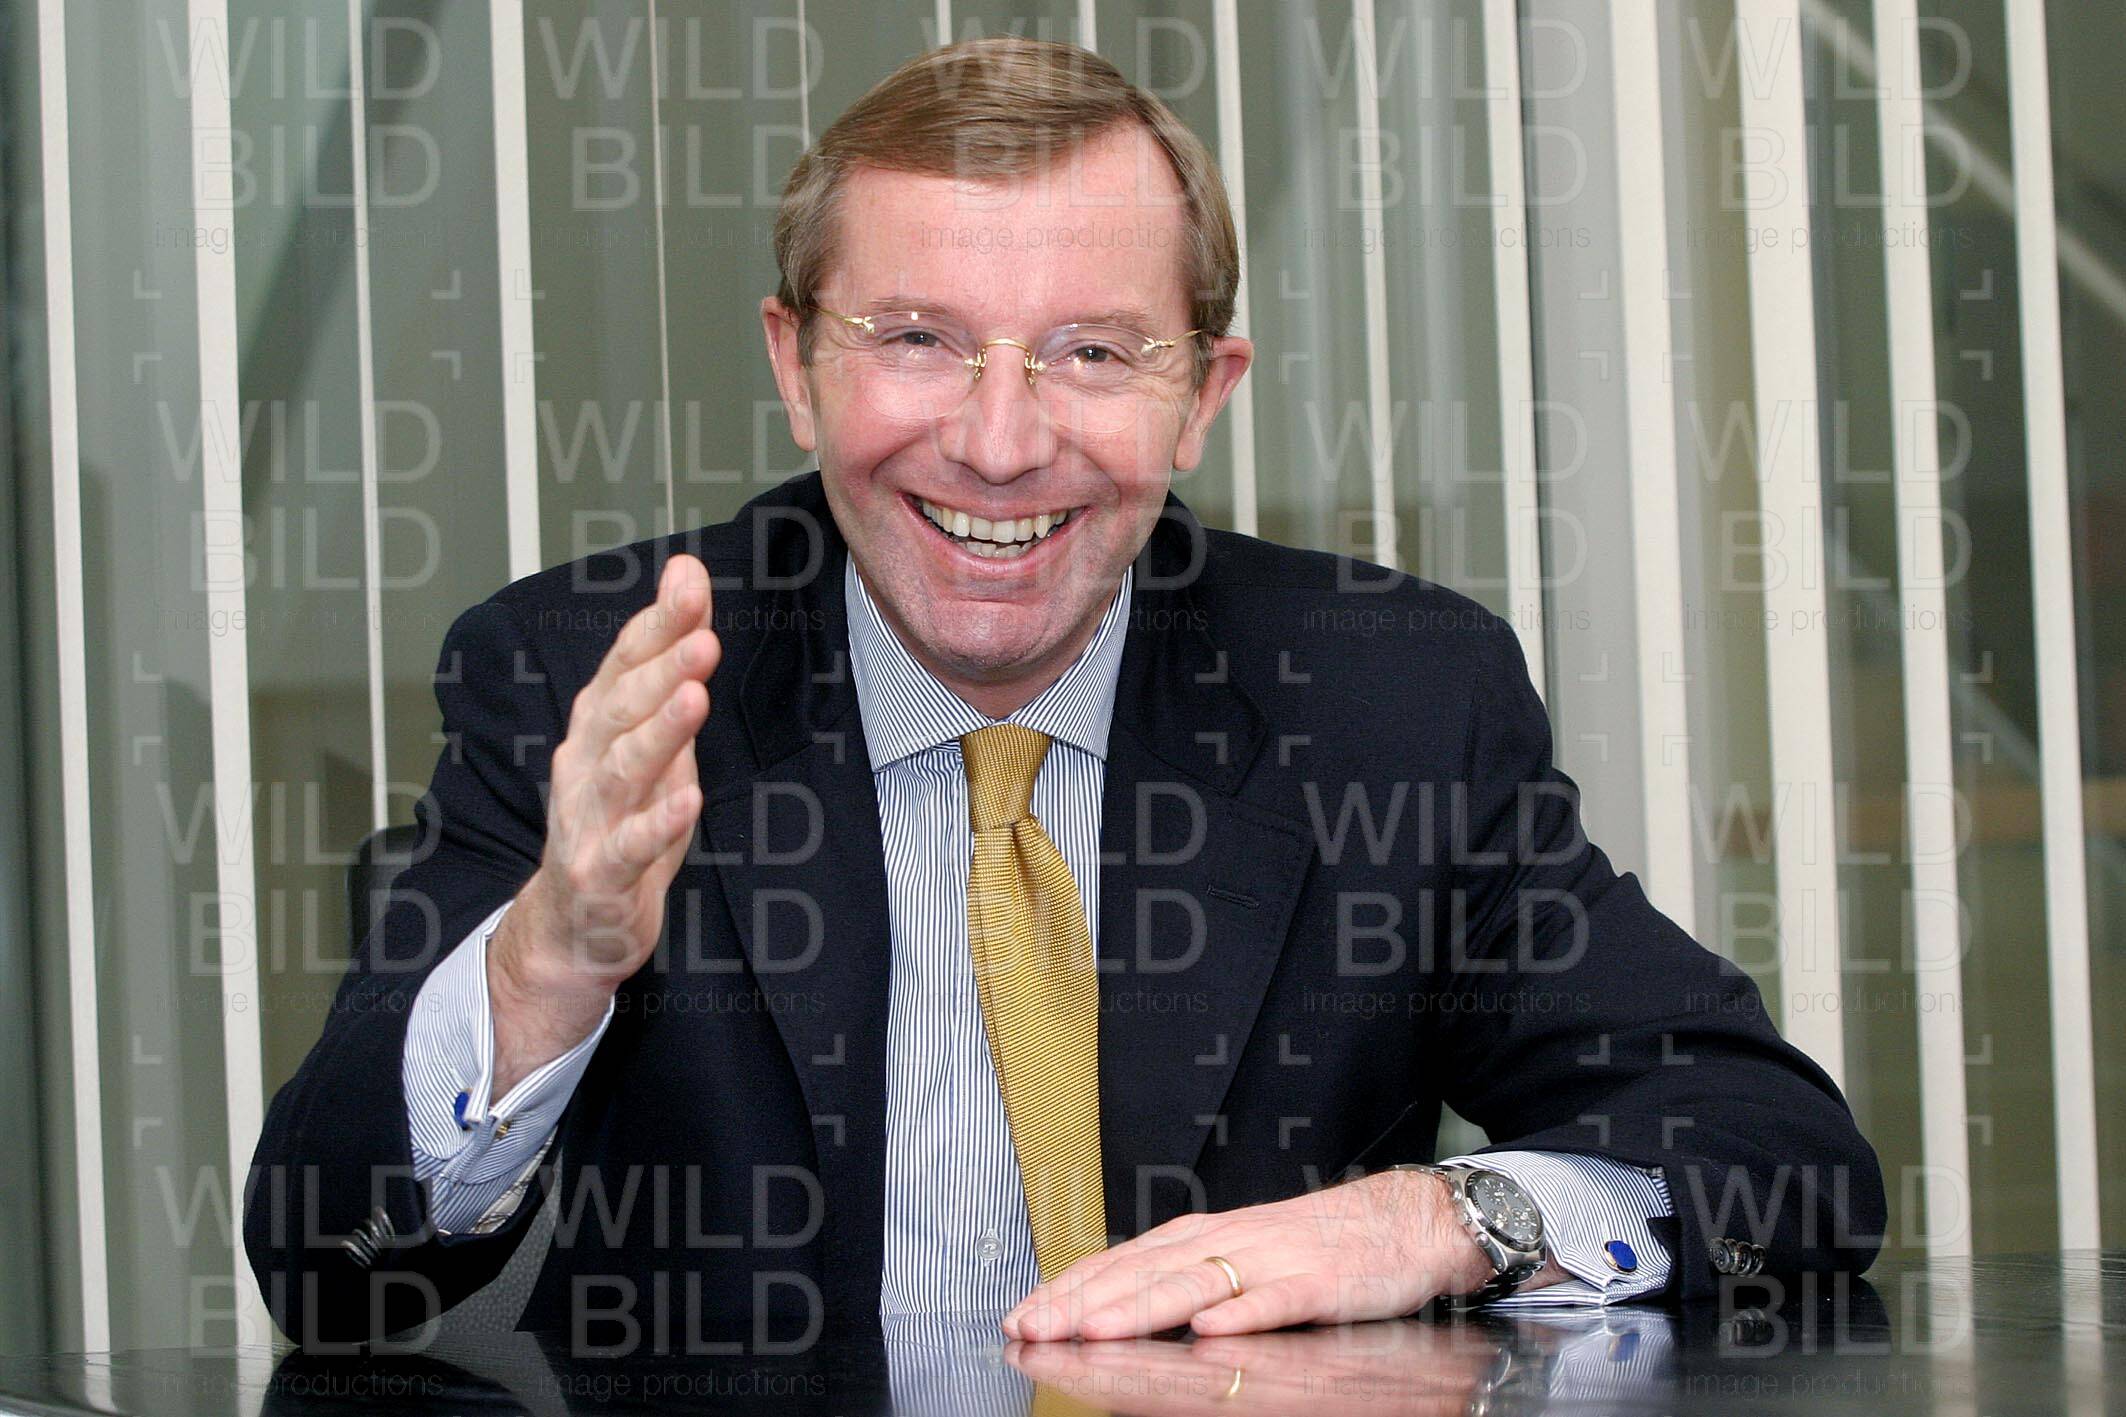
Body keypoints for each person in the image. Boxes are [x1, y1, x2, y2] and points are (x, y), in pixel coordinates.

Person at [244, 37, 1883, 1349]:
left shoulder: (1384, 697)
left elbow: (1776, 1154)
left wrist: (1437, 1219)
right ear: (795, 365)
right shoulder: (586, 678)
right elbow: (331, 1272)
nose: (1000, 441)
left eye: (1092, 352)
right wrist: (548, 960)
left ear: (1202, 393)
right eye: (916, 338)